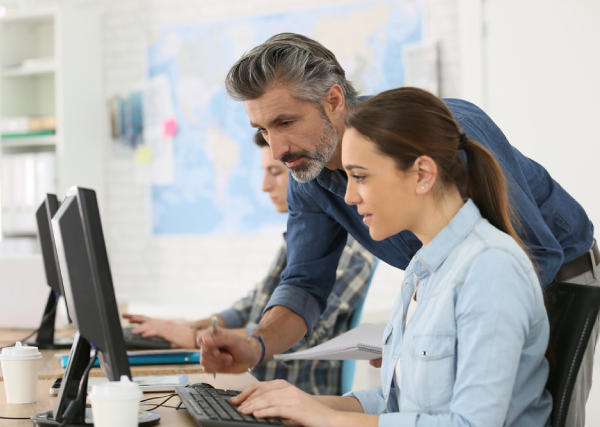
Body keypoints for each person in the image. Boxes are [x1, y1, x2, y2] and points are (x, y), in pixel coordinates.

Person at [198, 33, 597, 426]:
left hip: (555, 270)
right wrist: (255, 347)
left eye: (285, 122)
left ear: (333, 100)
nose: (277, 149)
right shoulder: (312, 174)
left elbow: (533, 256)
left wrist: (437, 340)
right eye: (263, 131)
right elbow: (304, 283)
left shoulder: (440, 137)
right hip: (460, 287)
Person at [124, 132, 375, 395]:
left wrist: (194, 338)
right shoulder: (299, 238)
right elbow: (253, 305)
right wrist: (192, 328)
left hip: (293, 393)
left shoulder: (349, 250)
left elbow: (300, 331)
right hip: (255, 384)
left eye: (276, 173)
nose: (264, 186)